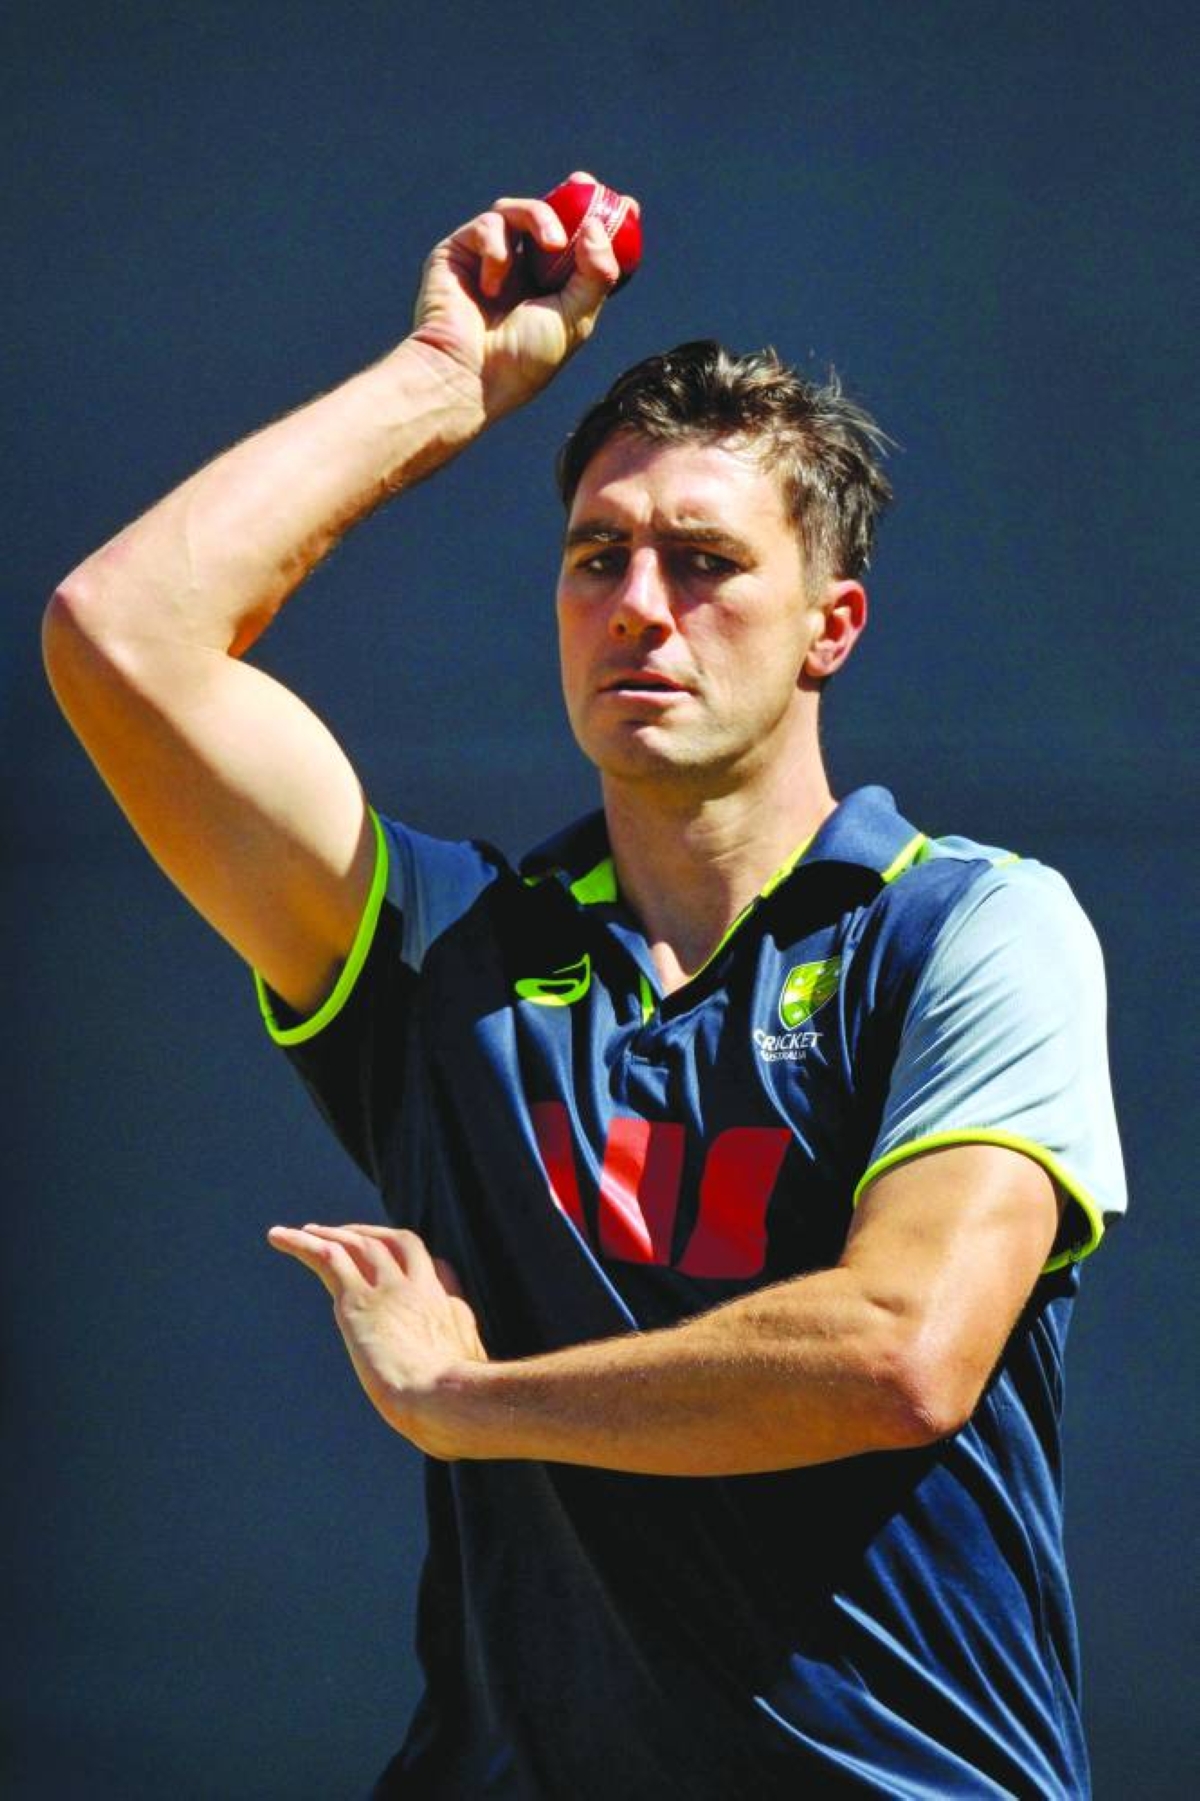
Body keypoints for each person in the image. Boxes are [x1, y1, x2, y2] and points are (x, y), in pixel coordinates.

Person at [44, 174, 1125, 1799]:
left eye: (703, 562)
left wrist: (473, 1398)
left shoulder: (972, 928)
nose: (638, 605)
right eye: (596, 556)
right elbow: (120, 634)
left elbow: (903, 1349)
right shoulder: (444, 955)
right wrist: (440, 384)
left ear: (833, 626)